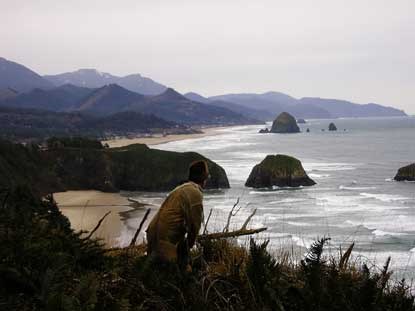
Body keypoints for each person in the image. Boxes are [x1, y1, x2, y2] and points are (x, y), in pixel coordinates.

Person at [146, 160, 209, 269]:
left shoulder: (181, 188)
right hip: (165, 242)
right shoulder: (195, 193)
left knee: (154, 270)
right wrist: (188, 248)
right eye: (208, 175)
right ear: (204, 177)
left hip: (152, 235)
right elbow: (194, 227)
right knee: (180, 275)